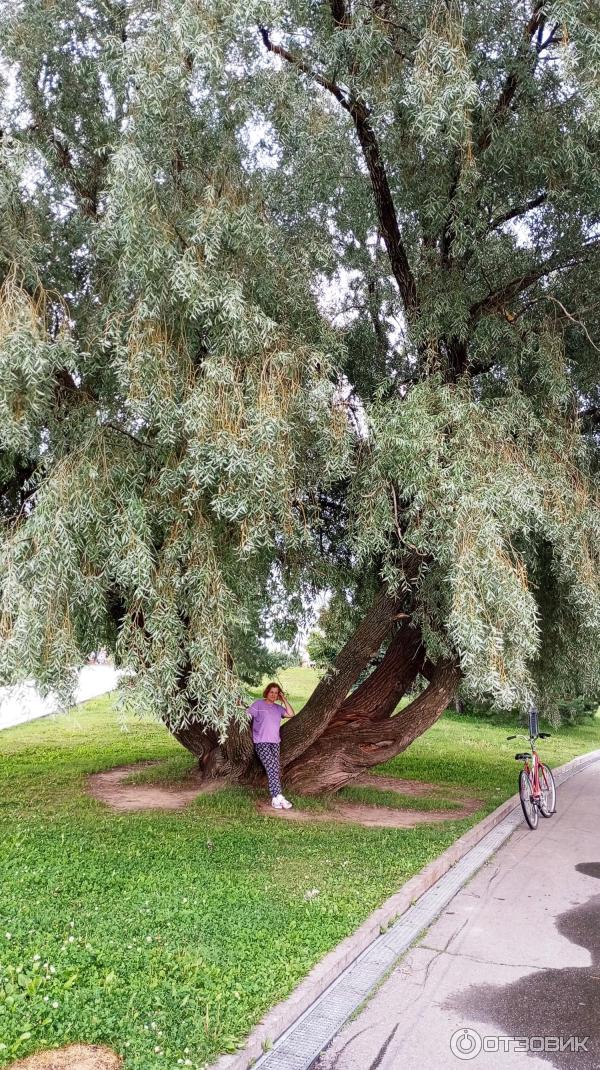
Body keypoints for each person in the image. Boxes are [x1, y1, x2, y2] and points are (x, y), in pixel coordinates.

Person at [246, 682, 296, 809]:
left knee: (274, 769)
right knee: (272, 767)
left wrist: (284, 699)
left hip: (275, 743)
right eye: (271, 692)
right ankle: (278, 796)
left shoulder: (278, 708)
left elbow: (291, 714)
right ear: (267, 692)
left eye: (276, 693)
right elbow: (246, 716)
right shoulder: (258, 704)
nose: (273, 695)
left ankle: (275, 798)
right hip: (261, 742)